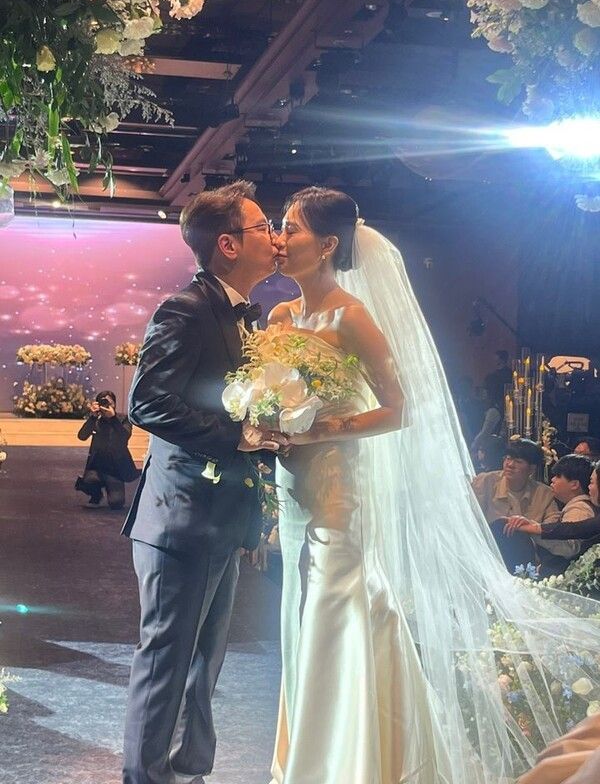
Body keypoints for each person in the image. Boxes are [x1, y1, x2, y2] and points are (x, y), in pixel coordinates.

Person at [267, 185, 600, 784]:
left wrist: (324, 428)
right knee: (297, 607)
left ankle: (345, 763)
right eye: (280, 226)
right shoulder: (279, 317)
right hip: (293, 486)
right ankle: (309, 754)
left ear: (328, 244)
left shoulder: (352, 316)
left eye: (291, 228)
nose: (279, 238)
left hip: (339, 487)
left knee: (334, 603)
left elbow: (400, 409)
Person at [121, 181, 288, 784]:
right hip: (182, 516)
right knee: (167, 659)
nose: (275, 238)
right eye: (262, 226)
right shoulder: (186, 309)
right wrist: (236, 436)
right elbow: (147, 403)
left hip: (221, 515)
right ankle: (146, 776)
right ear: (227, 244)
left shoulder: (243, 315)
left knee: (205, 660)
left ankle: (188, 768)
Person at [472, 439, 560, 572]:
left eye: (518, 461)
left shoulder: (544, 494)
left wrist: (529, 527)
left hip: (526, 563)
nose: (510, 465)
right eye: (508, 458)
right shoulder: (485, 482)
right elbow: (469, 520)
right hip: (485, 557)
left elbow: (552, 531)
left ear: (532, 468)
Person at [75, 390, 139, 510]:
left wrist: (113, 418)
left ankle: (111, 488)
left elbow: (124, 437)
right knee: (89, 481)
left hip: (115, 469)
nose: (106, 405)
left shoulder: (123, 419)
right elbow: (82, 436)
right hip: (97, 467)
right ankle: (96, 495)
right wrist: (92, 417)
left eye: (109, 402)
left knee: (116, 503)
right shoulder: (96, 420)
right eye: (102, 402)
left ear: (114, 404)